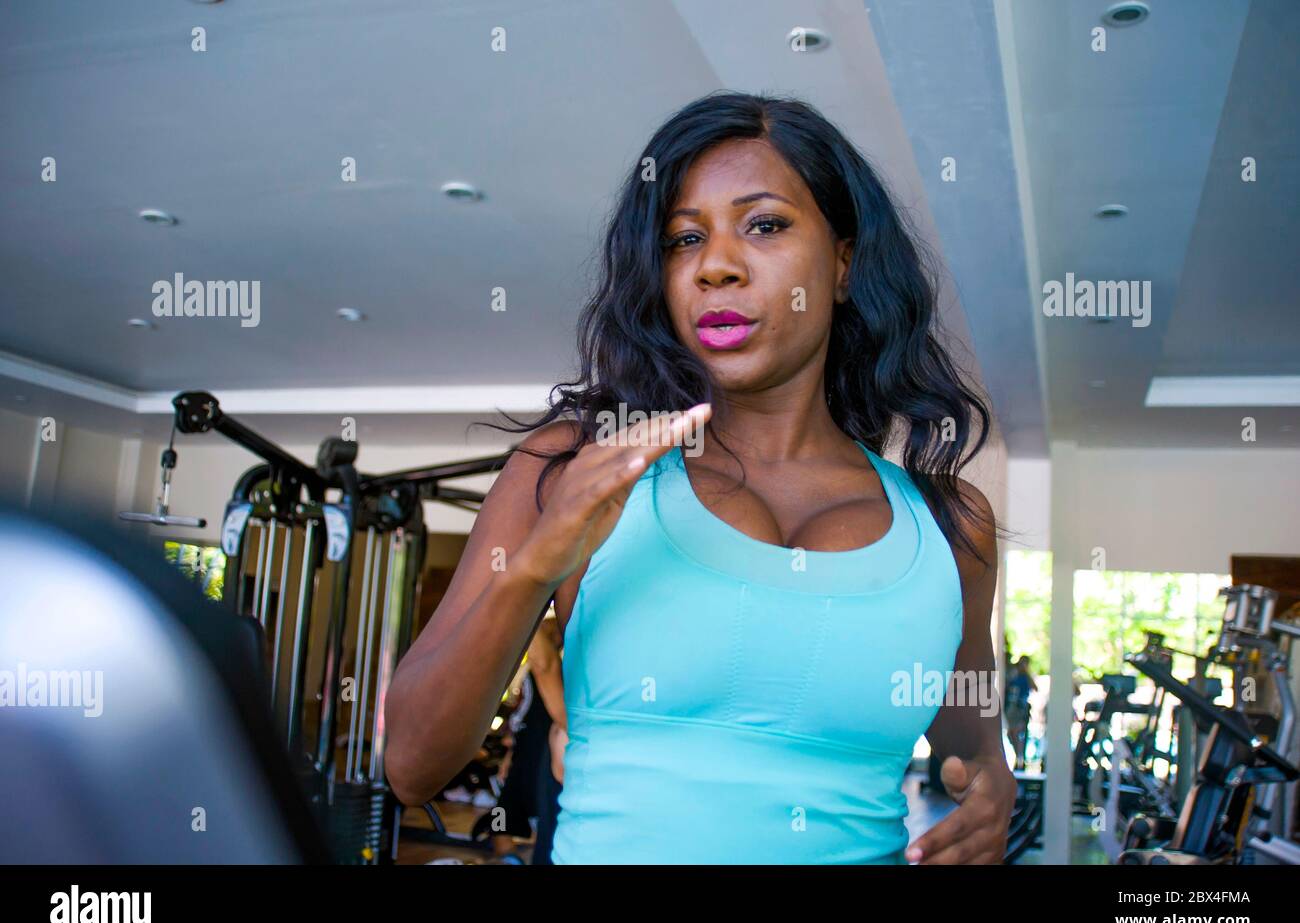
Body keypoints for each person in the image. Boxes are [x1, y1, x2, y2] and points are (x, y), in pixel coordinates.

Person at [385, 91, 1016, 864]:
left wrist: (994, 786)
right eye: (685, 239)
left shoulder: (950, 528)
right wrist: (538, 565)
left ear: (844, 263)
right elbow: (412, 764)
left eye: (765, 224)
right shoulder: (572, 470)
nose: (716, 265)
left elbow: (972, 743)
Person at [485, 621, 565, 864]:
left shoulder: (556, 671)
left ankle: (534, 853)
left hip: (542, 753)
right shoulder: (529, 671)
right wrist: (508, 757)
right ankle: (507, 855)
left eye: (552, 631)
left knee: (545, 814)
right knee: (500, 815)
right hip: (522, 748)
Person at [1004, 657, 1036, 771]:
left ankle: (1020, 759)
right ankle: (1018, 756)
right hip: (1012, 707)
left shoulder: (1026, 677)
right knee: (1011, 733)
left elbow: (1034, 688)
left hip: (1020, 708)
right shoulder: (1014, 674)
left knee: (1017, 733)